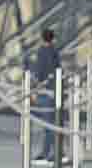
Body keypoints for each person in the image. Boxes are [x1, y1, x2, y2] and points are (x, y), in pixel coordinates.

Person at [32, 27, 62, 163]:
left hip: (46, 92)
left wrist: (36, 88)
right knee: (53, 124)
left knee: (49, 125)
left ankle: (48, 153)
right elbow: (55, 71)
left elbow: (41, 72)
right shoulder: (54, 52)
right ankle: (55, 152)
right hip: (53, 91)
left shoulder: (43, 52)